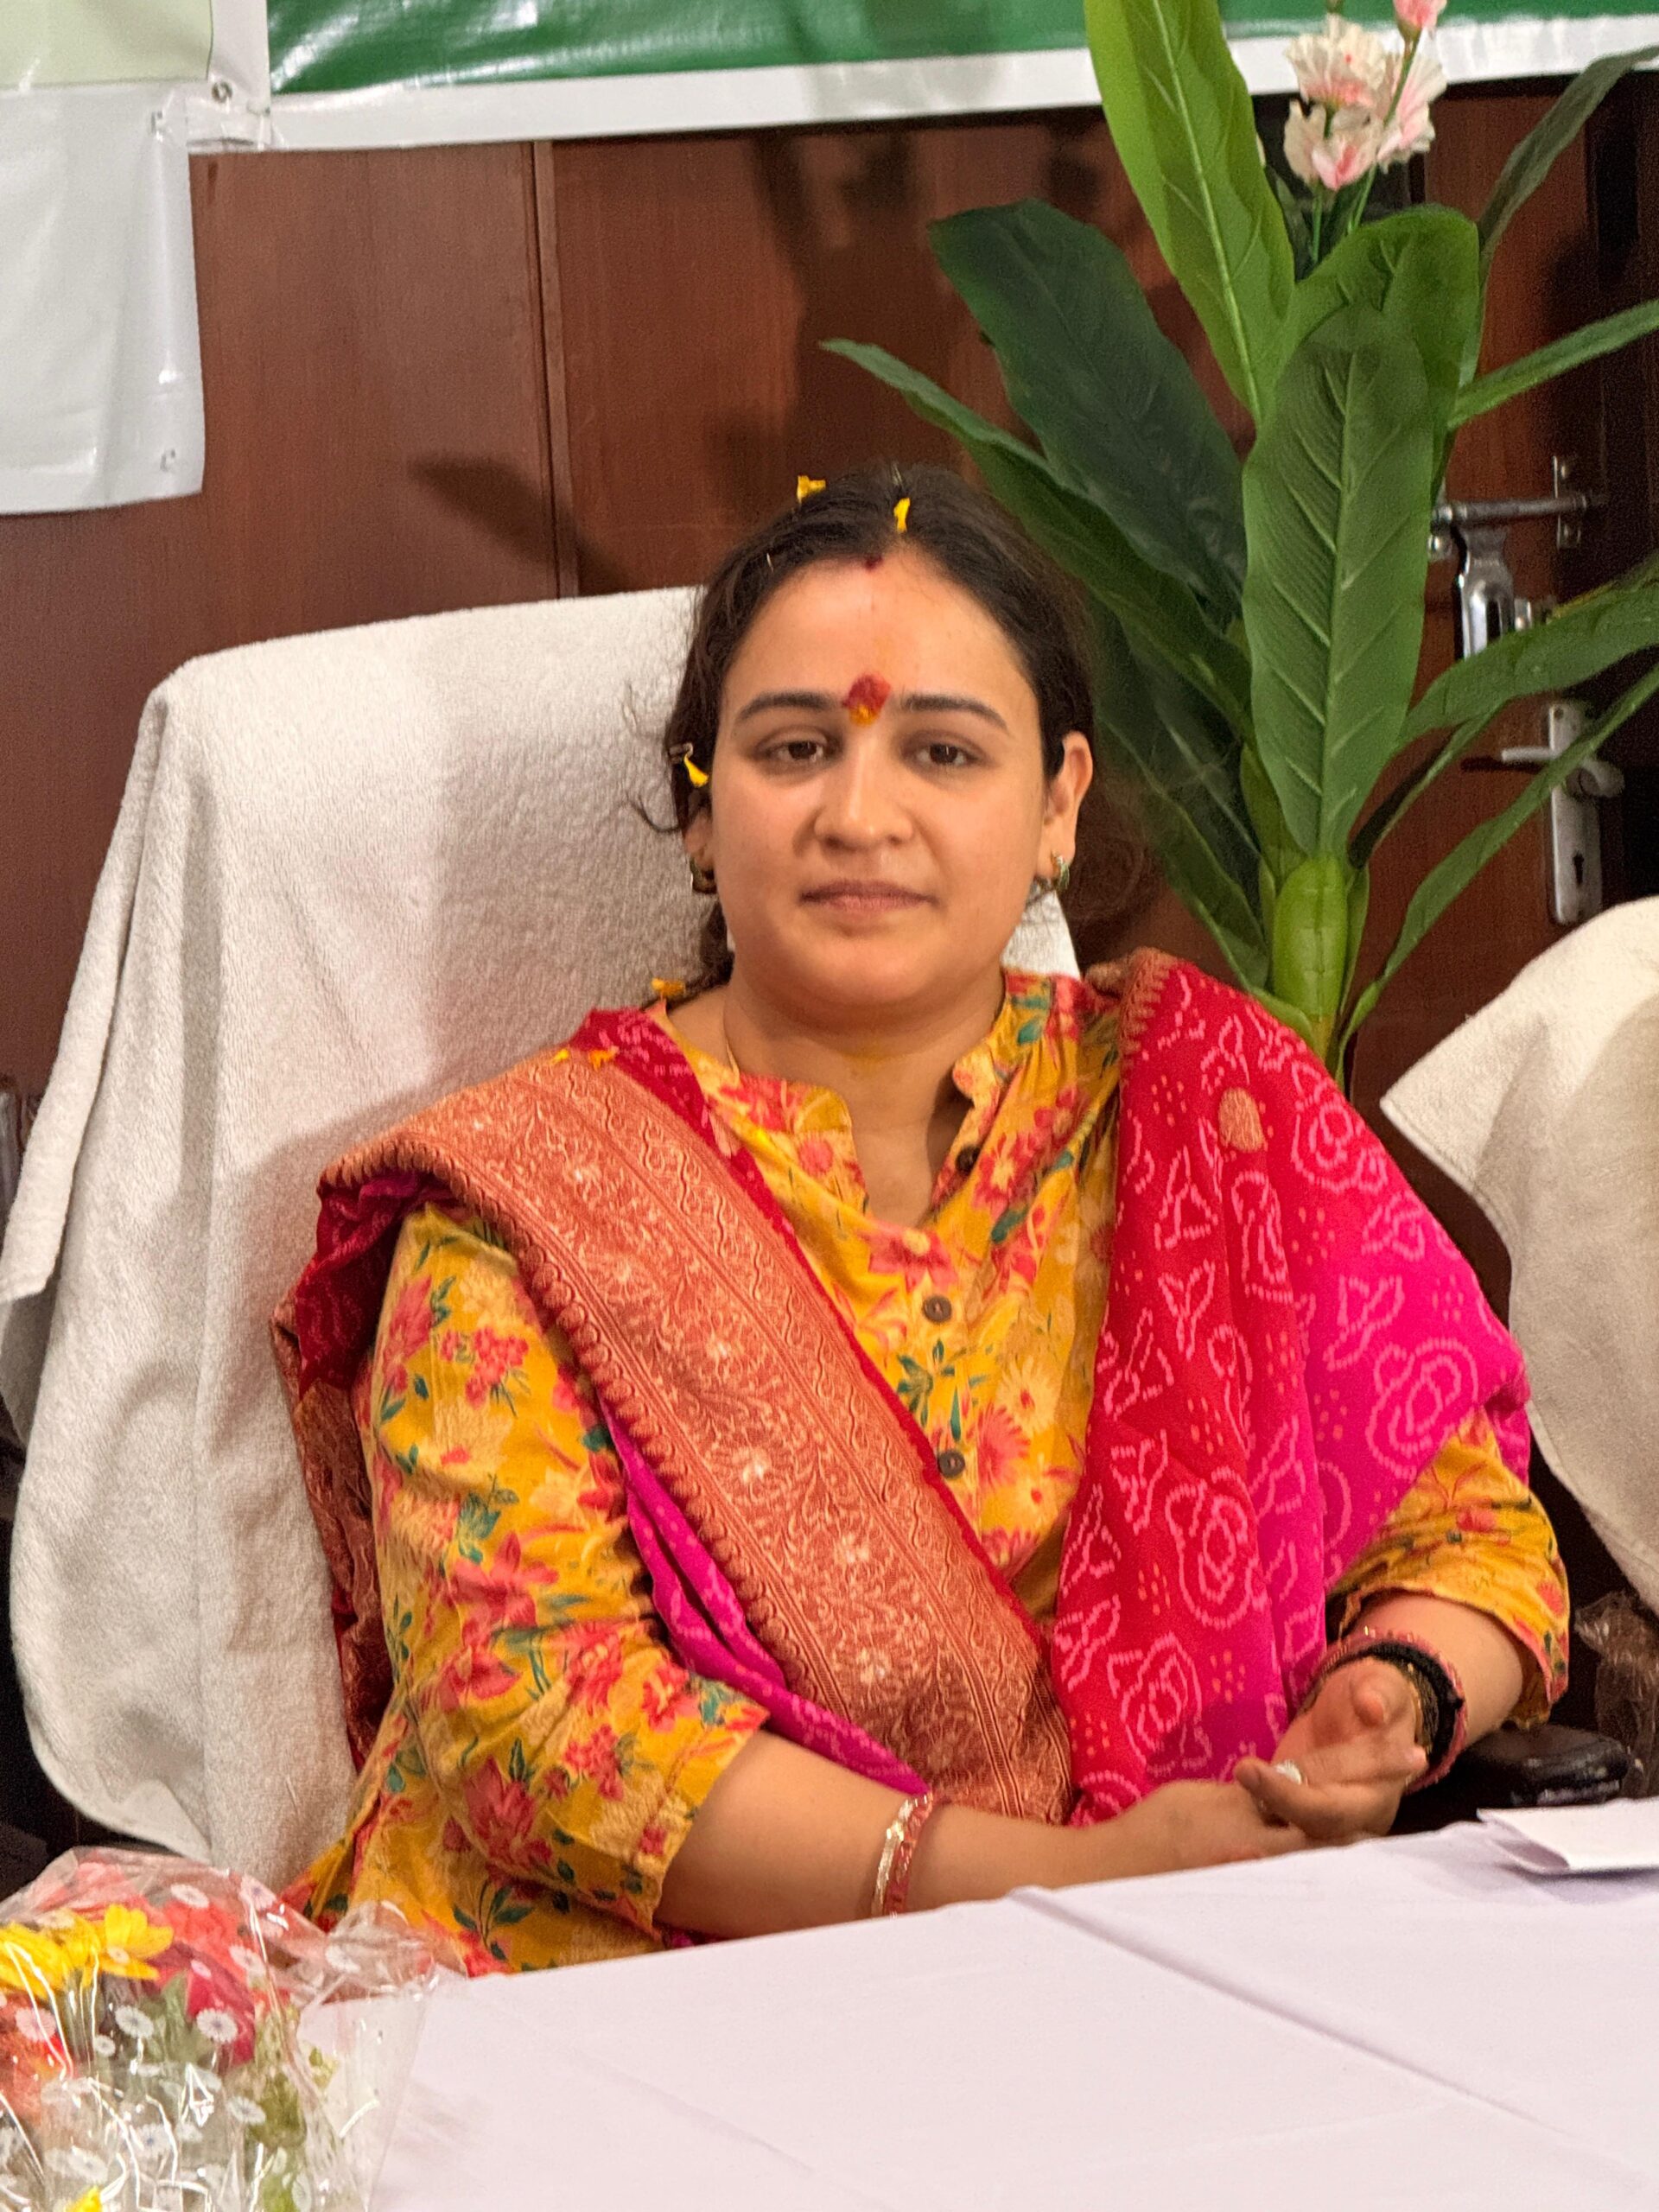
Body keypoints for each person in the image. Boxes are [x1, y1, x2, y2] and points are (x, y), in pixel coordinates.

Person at [279, 467, 1567, 1973]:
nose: (859, 815)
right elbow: (537, 1722)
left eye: (942, 751)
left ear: (1058, 804)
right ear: (700, 810)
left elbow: (1468, 1524)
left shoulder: (1210, 1107)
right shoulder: (529, 1199)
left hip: (1189, 1948)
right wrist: (1062, 1880)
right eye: (794, 749)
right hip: (640, 1990)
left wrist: (1398, 1692)